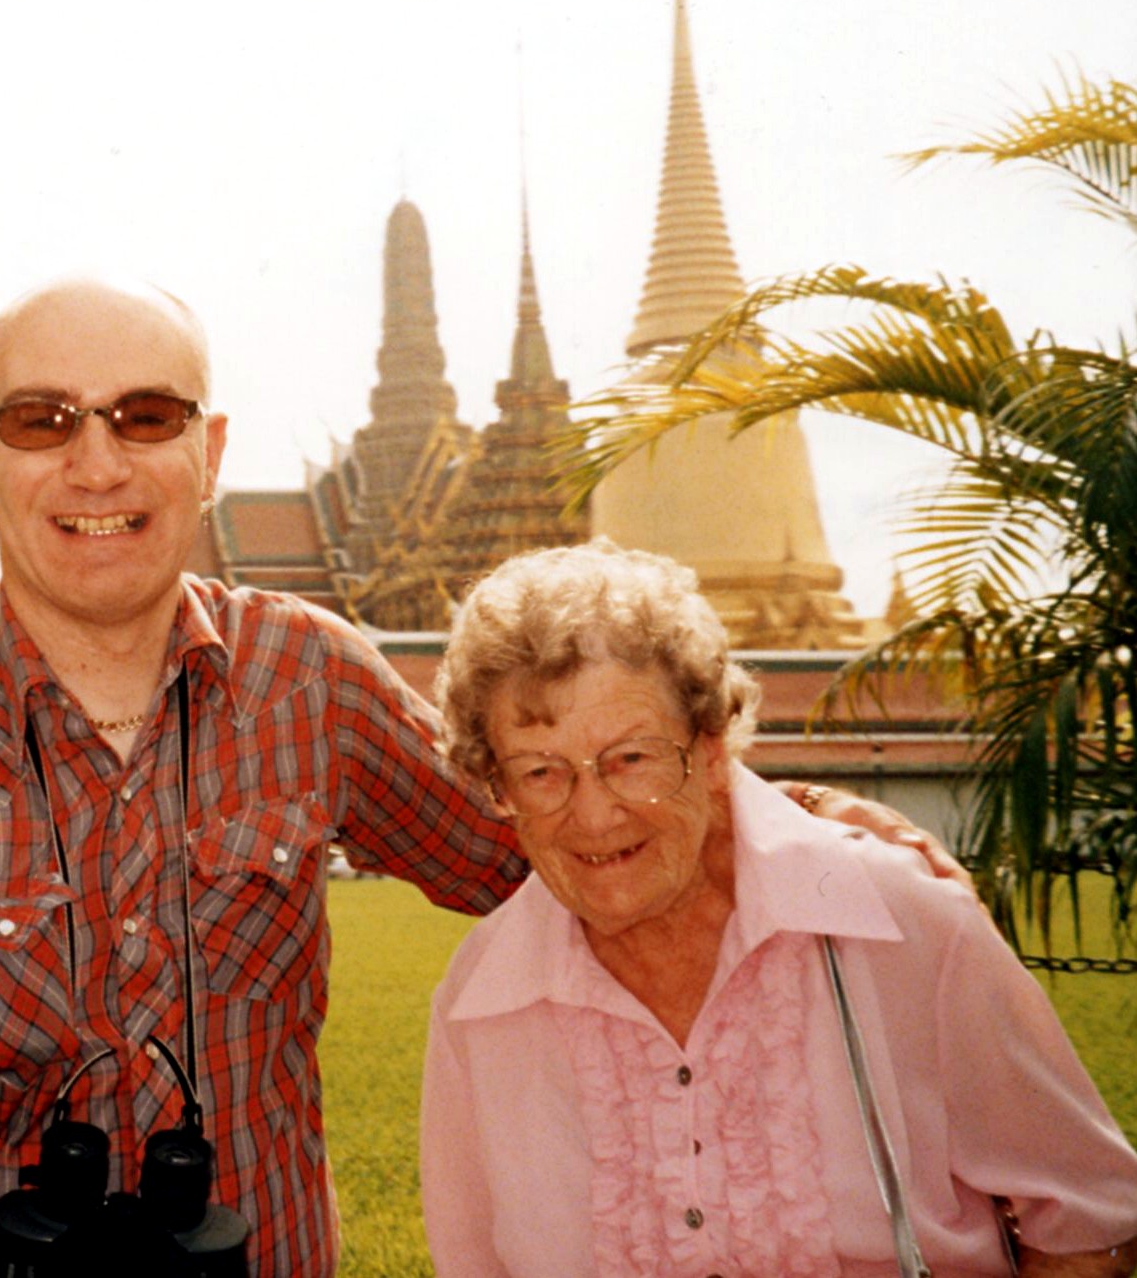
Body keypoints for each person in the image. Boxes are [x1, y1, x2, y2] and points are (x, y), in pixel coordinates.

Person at [0, 275, 964, 1278]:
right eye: (44, 421)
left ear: (210, 451)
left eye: (146, 416)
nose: (97, 464)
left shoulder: (306, 679)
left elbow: (542, 844)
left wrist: (801, 825)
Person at [420, 540, 1137, 1277]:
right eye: (540, 773)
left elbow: (1088, 1222)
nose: (594, 814)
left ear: (709, 747)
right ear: (496, 788)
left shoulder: (895, 921)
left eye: (632, 758)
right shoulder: (481, 1001)